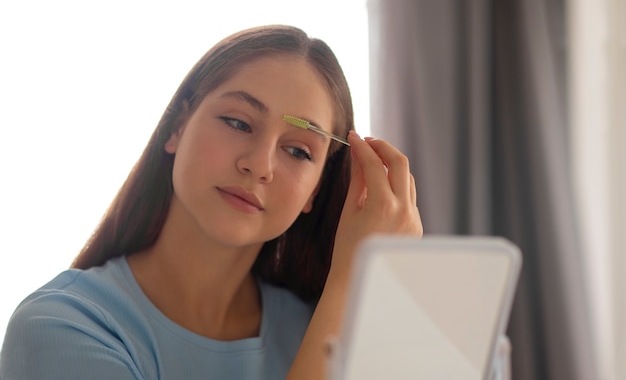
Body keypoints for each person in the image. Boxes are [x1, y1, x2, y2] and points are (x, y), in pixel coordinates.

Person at [0, 25, 422, 379]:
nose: (259, 165)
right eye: (238, 122)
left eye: (298, 151)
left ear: (316, 190)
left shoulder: (327, 325)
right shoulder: (63, 325)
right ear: (177, 128)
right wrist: (354, 277)